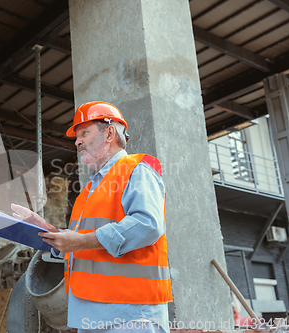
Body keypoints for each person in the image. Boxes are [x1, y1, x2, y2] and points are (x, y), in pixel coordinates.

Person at [12, 101, 172, 333]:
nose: (77, 141)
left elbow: (148, 225)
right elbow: (80, 242)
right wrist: (50, 233)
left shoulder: (137, 169)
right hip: (90, 314)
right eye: (77, 136)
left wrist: (81, 241)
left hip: (130, 314)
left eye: (84, 133)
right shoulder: (90, 190)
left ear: (109, 133)